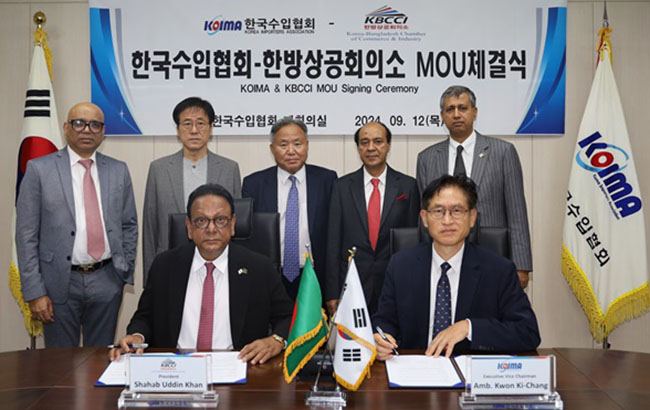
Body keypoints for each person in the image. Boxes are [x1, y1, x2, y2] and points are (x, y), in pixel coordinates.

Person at [111, 184, 293, 365]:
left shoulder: (259, 268)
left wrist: (276, 340)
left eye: (220, 220)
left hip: (238, 366)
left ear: (232, 224)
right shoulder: (164, 266)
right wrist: (137, 336)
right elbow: (145, 316)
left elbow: (287, 316)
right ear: (189, 227)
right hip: (176, 368)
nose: (211, 229)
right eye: (201, 221)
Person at [372, 175, 540, 360]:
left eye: (457, 211)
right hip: (417, 368)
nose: (447, 220)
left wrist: (469, 328)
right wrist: (381, 339)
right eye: (438, 211)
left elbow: (528, 332)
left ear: (472, 217)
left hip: (472, 372)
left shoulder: (499, 270)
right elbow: (384, 322)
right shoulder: (401, 266)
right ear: (425, 218)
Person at [16, 102, 138, 347]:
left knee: (101, 357)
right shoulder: (39, 169)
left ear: (103, 131)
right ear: (66, 127)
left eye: (95, 125)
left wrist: (122, 270)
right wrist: (35, 291)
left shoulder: (118, 170)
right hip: (58, 282)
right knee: (60, 361)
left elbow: (129, 225)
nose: (86, 130)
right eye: (79, 123)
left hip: (107, 280)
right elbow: (26, 235)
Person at [416, 85, 533, 288]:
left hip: (492, 255)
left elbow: (516, 212)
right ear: (442, 116)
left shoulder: (503, 152)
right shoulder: (427, 158)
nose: (456, 114)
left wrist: (521, 265)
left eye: (463, 108)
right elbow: (425, 217)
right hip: (443, 259)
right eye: (450, 109)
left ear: (474, 112)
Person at [142, 97, 241, 284]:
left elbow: (234, 225)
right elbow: (150, 227)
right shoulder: (158, 169)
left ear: (211, 128)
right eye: (187, 123)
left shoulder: (229, 168)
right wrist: (150, 278)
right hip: (169, 263)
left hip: (217, 264)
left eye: (201, 123)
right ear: (178, 129)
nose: (194, 130)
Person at [326, 122, 420, 315]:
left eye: (378, 141)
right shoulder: (341, 187)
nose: (371, 148)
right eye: (364, 142)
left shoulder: (408, 186)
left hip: (395, 283)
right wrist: (332, 292)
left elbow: (413, 242)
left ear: (388, 145)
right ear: (358, 147)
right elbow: (333, 242)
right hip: (352, 284)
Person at [242, 118, 337, 300]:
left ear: (307, 146)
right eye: (283, 144)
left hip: (315, 275)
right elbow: (249, 238)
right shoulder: (254, 184)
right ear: (272, 149)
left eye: (297, 144)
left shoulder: (327, 180)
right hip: (270, 275)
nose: (291, 151)